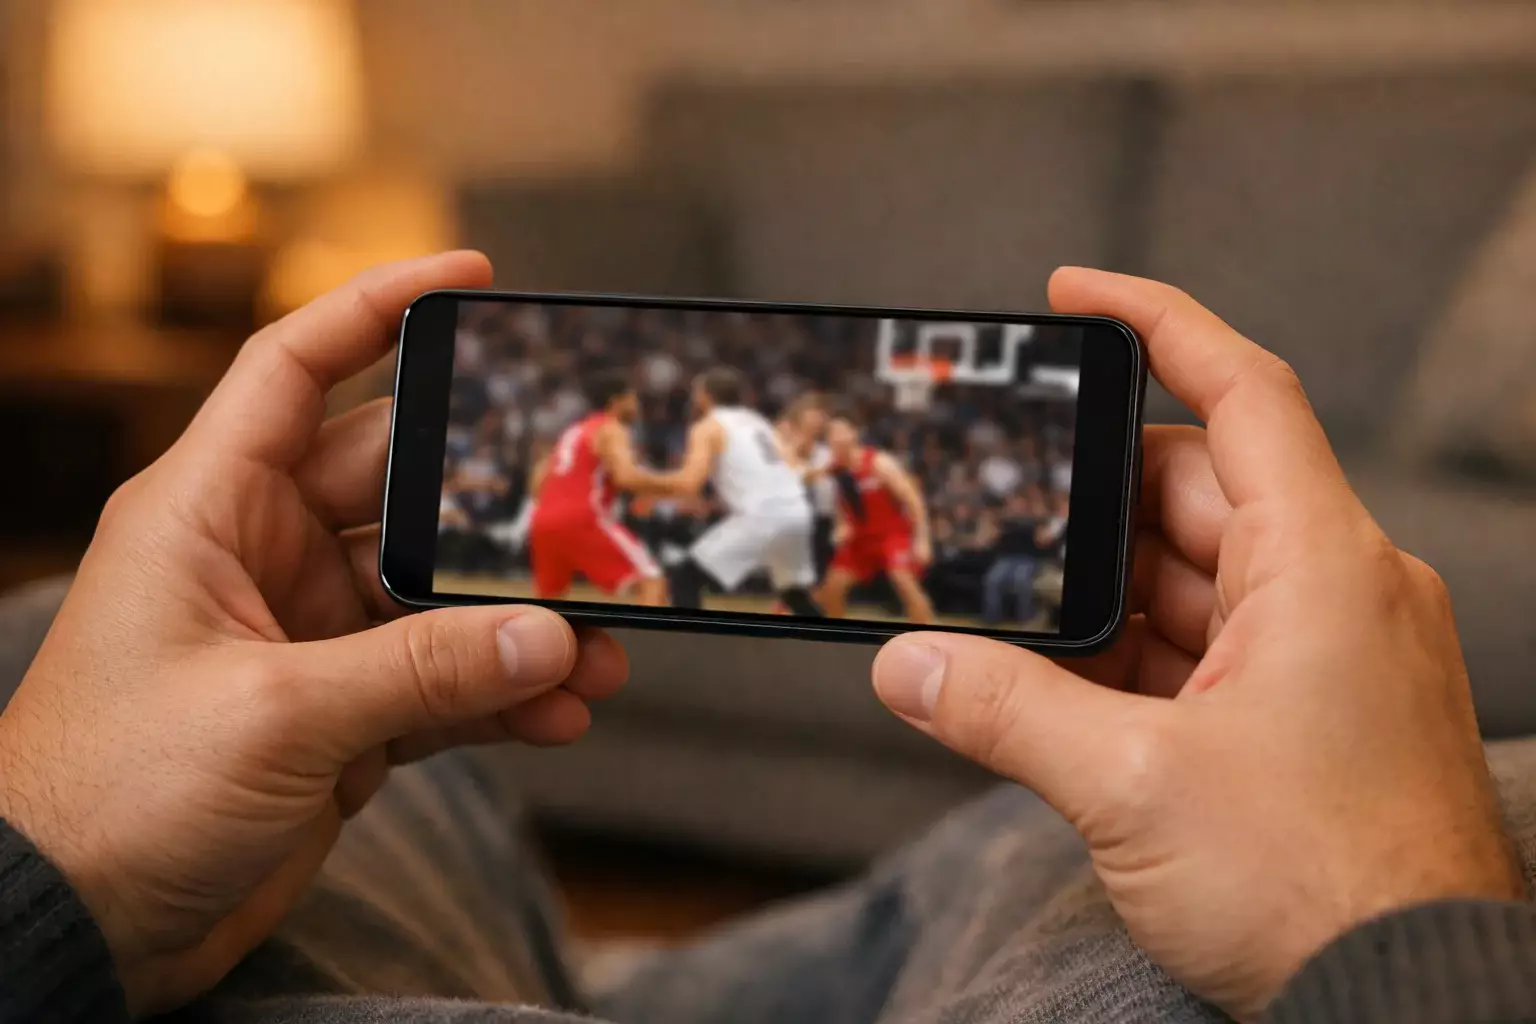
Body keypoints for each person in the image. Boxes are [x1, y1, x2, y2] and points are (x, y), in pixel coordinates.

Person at [0, 254, 1532, 1024]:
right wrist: (1404, 917)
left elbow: (787, 505)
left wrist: (50, 876)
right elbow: (682, 486)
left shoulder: (817, 467)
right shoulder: (741, 455)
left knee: (63, 625)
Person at [658, 367, 823, 617]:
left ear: (705, 395)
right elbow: (794, 466)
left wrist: (644, 484)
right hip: (797, 511)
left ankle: (691, 648)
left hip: (762, 514)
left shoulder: (708, 426)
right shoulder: (759, 423)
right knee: (794, 593)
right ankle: (829, 645)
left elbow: (690, 483)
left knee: (684, 579)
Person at [528, 369, 668, 606]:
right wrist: (675, 485)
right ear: (616, 401)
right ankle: (650, 644)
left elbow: (537, 481)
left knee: (548, 603)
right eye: (633, 398)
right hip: (583, 517)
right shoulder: (612, 428)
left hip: (542, 520)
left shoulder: (573, 431)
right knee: (652, 581)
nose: (637, 404)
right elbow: (626, 477)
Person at [818, 412, 937, 624]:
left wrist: (922, 540)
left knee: (904, 582)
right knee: (833, 587)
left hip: (892, 535)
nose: (837, 437)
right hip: (861, 539)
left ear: (854, 434)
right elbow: (842, 507)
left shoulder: (879, 463)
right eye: (832, 434)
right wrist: (842, 527)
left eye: (841, 431)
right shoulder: (835, 470)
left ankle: (930, 635)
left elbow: (913, 500)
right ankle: (836, 636)